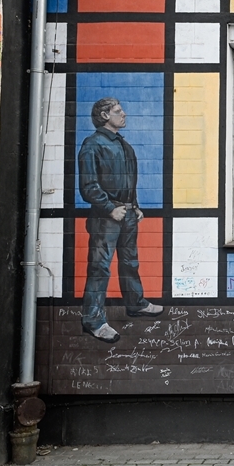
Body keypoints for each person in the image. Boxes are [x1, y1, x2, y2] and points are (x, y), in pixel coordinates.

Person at [78, 98, 162, 343]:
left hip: (127, 215)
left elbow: (128, 182)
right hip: (107, 217)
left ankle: (135, 304)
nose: (123, 114)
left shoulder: (123, 146)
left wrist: (134, 207)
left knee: (130, 262)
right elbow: (88, 187)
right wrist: (108, 208)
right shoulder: (92, 145)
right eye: (117, 111)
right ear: (105, 116)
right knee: (99, 269)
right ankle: (93, 321)